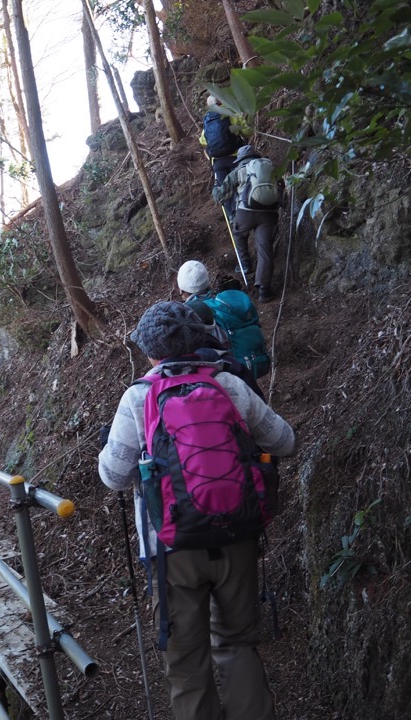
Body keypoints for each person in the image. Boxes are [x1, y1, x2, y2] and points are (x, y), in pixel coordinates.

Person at [98, 301, 295, 720]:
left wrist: (110, 447)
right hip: (237, 535)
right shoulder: (230, 384)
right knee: (238, 643)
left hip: (171, 548)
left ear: (150, 351)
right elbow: (284, 442)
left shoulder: (139, 396)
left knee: (186, 663)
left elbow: (113, 476)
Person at [176, 259, 265, 398]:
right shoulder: (224, 304)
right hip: (246, 365)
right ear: (207, 282)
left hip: (223, 379)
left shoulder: (194, 316)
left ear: (181, 288)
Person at [213, 145, 281, 303]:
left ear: (241, 160)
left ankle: (245, 265)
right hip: (270, 215)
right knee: (265, 249)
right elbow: (281, 186)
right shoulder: (270, 168)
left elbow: (219, 196)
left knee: (238, 233)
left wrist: (216, 186)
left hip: (246, 213)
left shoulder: (239, 171)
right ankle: (264, 291)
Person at [199, 95, 244, 218]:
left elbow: (203, 140)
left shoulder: (208, 120)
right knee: (238, 184)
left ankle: (232, 216)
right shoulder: (229, 113)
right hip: (235, 156)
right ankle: (243, 210)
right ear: (220, 102)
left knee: (224, 190)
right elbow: (245, 130)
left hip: (218, 162)